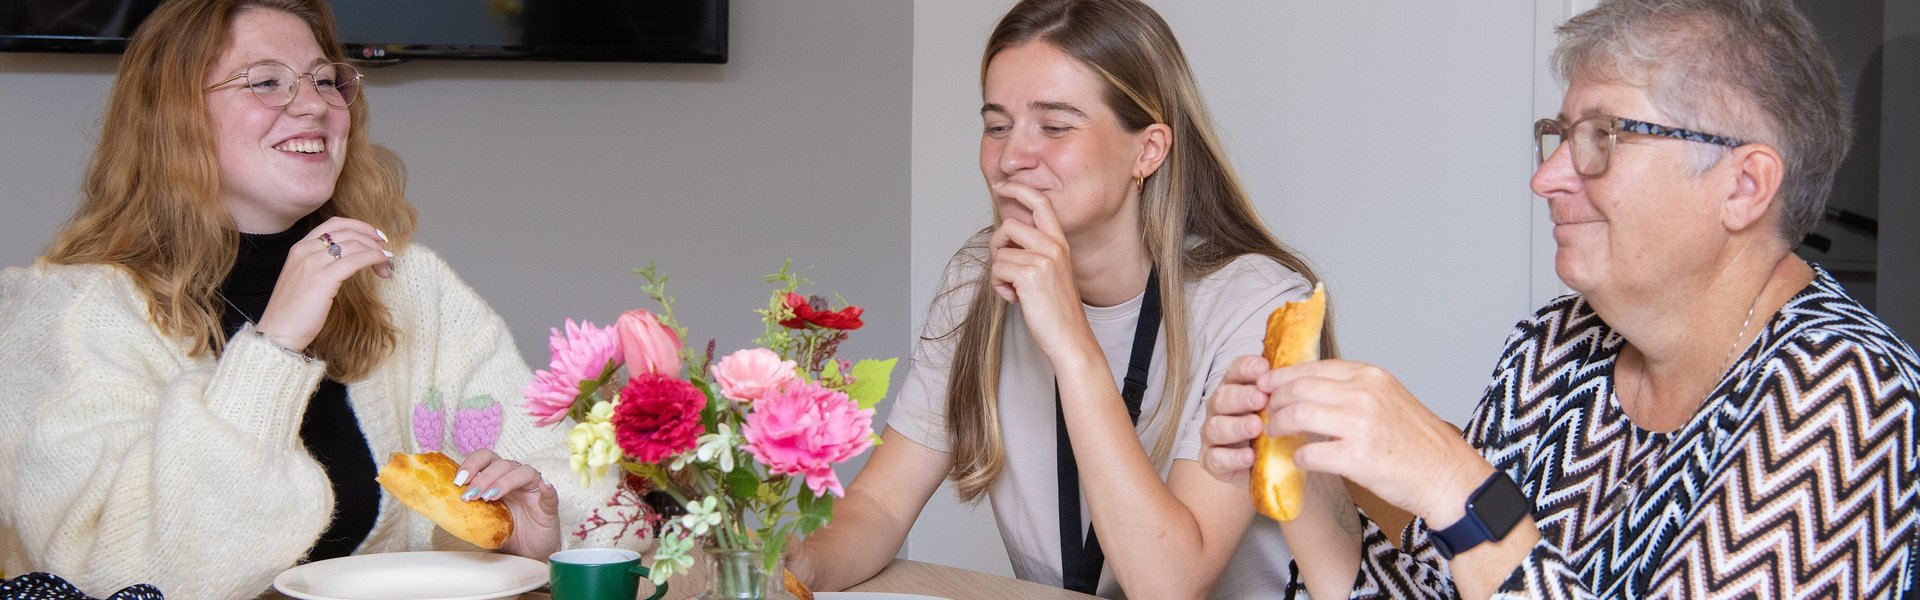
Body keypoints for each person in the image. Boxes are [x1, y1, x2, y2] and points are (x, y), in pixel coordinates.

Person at [1200, 0, 1920, 597]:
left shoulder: (1854, 399)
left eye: (1603, 136)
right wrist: (1304, 473)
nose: (1546, 180)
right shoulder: (1557, 345)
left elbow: (1476, 535)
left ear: (1744, 186)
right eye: (1560, 136)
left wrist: (1459, 490)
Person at [0, 0, 634, 597]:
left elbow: (591, 498)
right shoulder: (68, 313)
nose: (314, 107)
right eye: (266, 82)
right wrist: (274, 347)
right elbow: (130, 578)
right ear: (172, 115)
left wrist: (526, 544)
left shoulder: (407, 285)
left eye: (326, 80)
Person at [790, 0, 1335, 597]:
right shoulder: (979, 279)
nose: (1011, 157)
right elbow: (880, 505)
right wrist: (798, 570)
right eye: (997, 126)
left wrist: (1072, 342)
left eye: (1054, 126)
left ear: (1148, 150)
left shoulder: (1256, 305)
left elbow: (1169, 585)